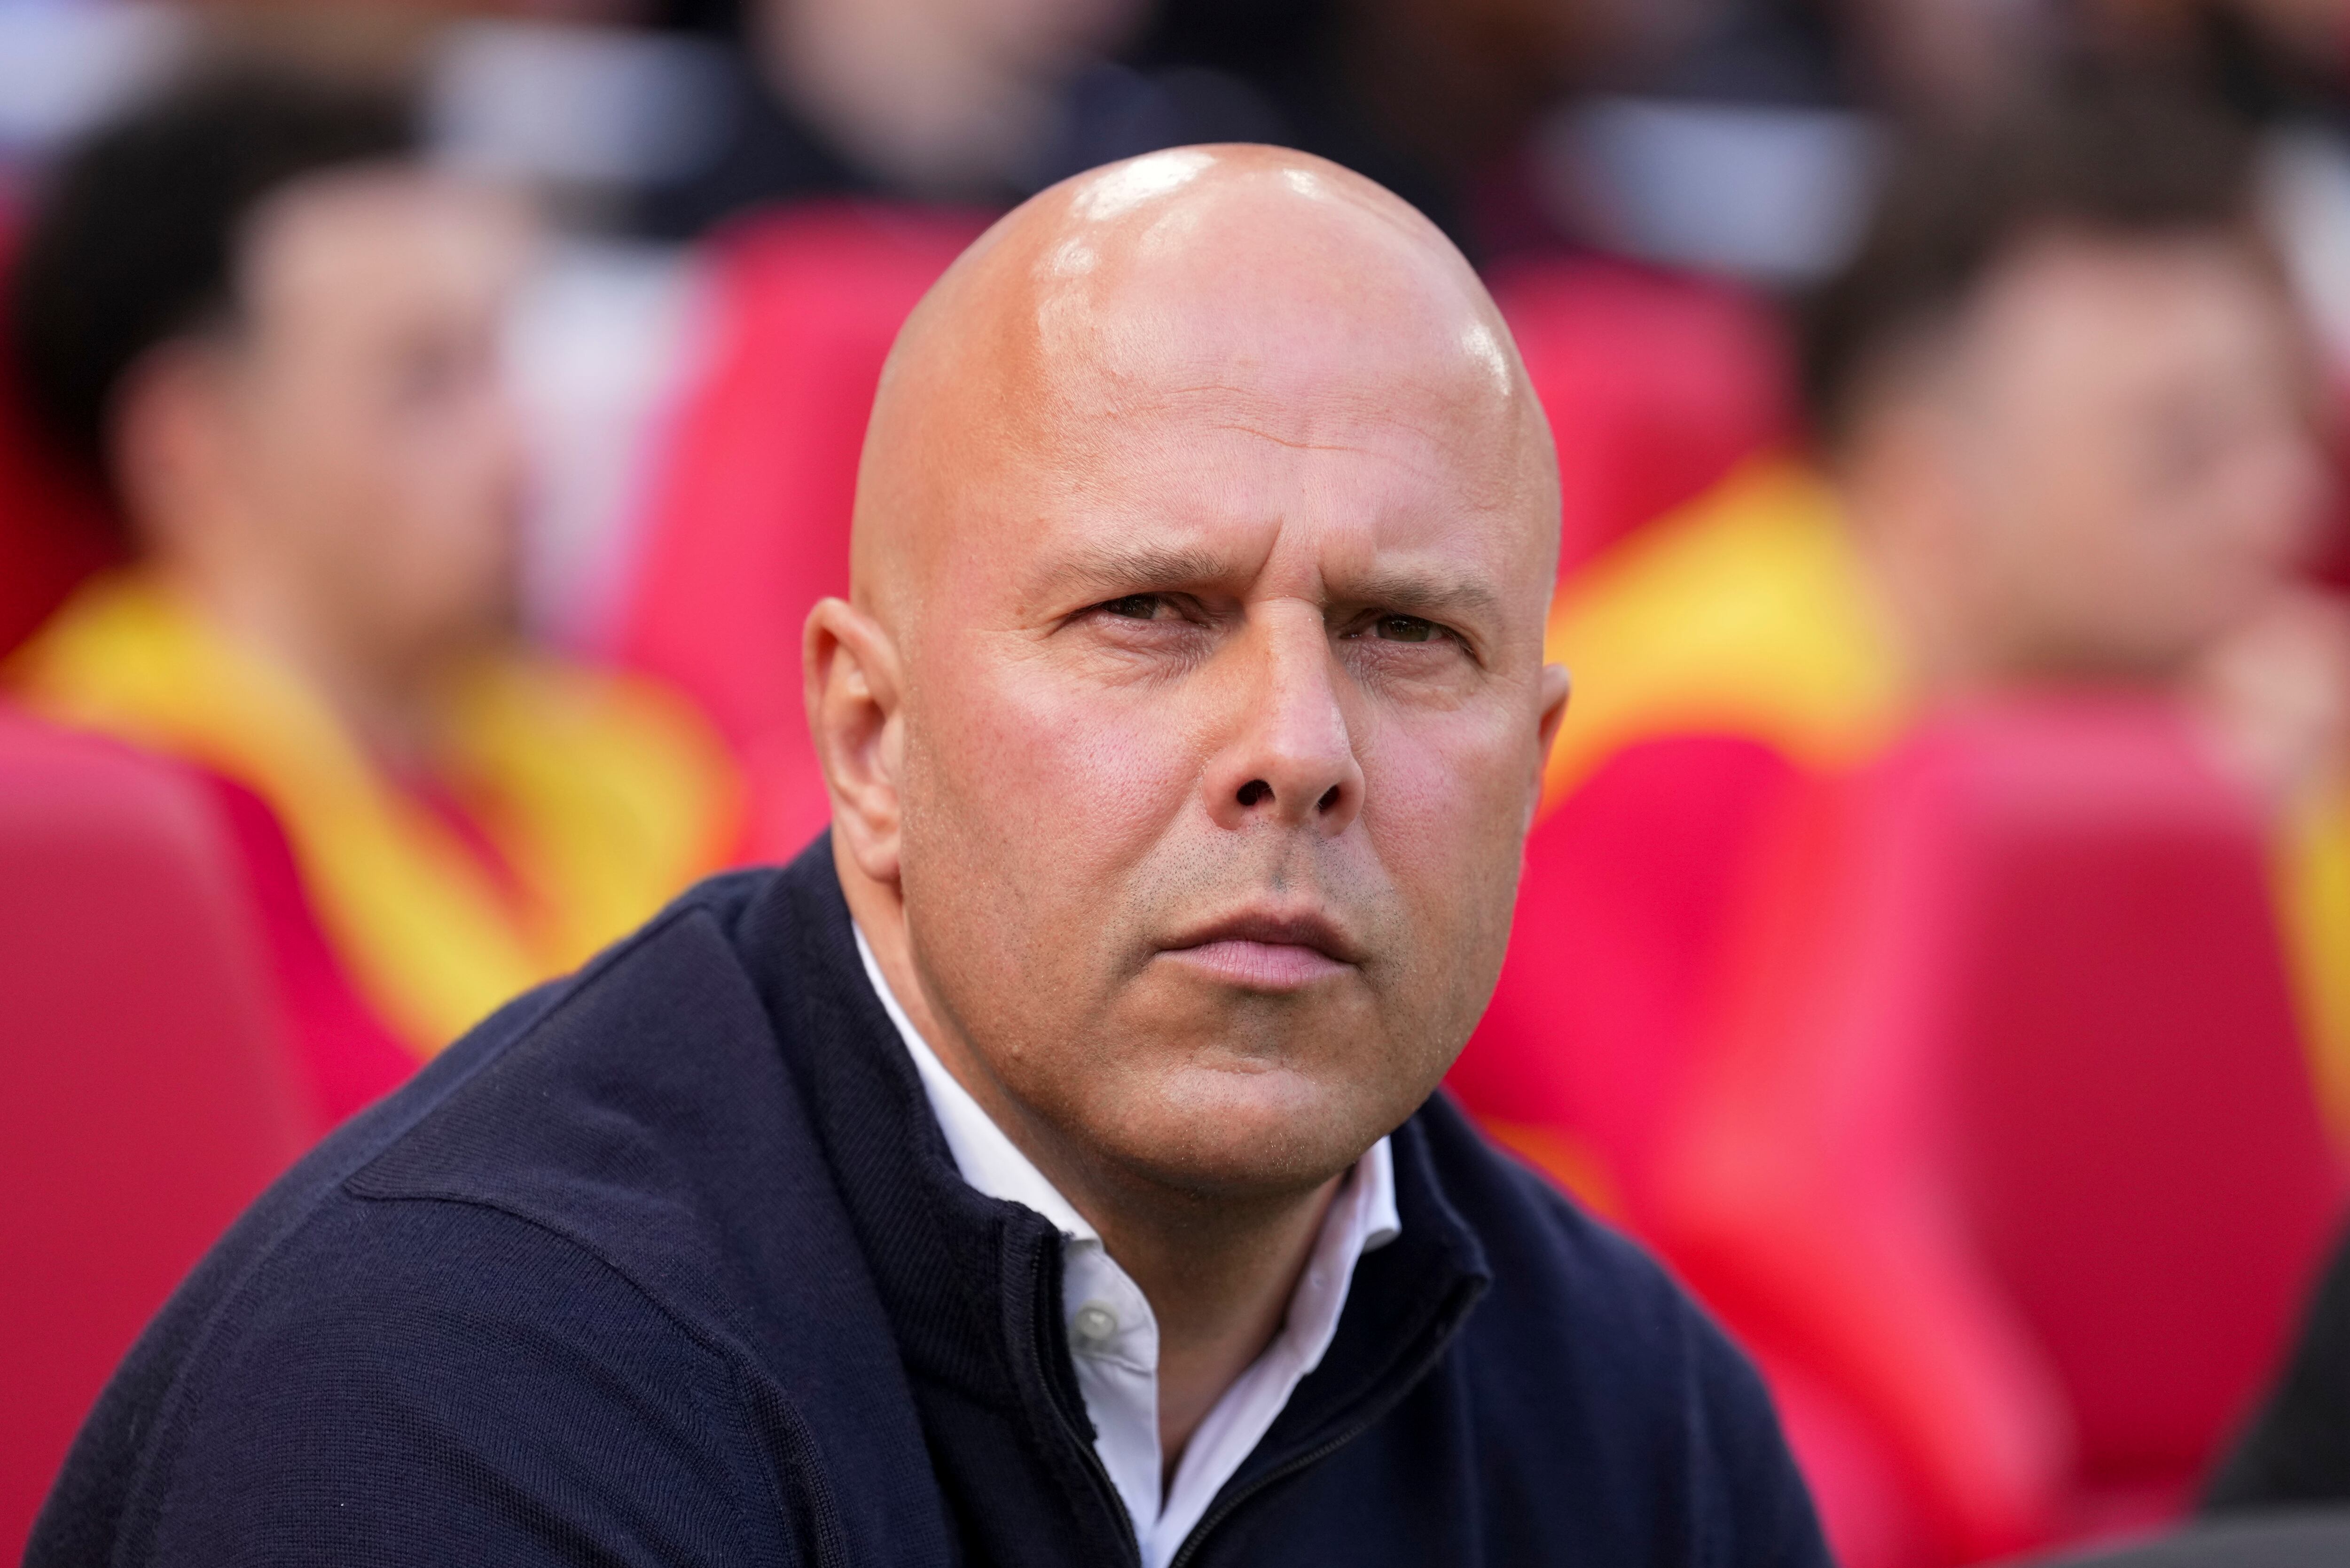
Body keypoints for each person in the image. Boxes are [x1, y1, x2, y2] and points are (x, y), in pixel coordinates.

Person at [28, 145, 1829, 1568]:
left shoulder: (1647, 1418)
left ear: (1531, 769)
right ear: (869, 744)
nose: (1299, 745)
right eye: (1151, 611)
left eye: (1405, 634)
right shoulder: (452, 1384)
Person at [1445, 74, 2341, 1568]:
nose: (2276, 510)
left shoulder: (2212, 707)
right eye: (2180, 452)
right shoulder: (1667, 750)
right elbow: (1751, 1304)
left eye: (2290, 435)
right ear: (1927, 488)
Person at [3, 70, 740, 1121]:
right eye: (421, 382)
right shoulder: (109, 830)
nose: (516, 450)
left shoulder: (616, 747)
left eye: (499, 362)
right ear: (190, 448)